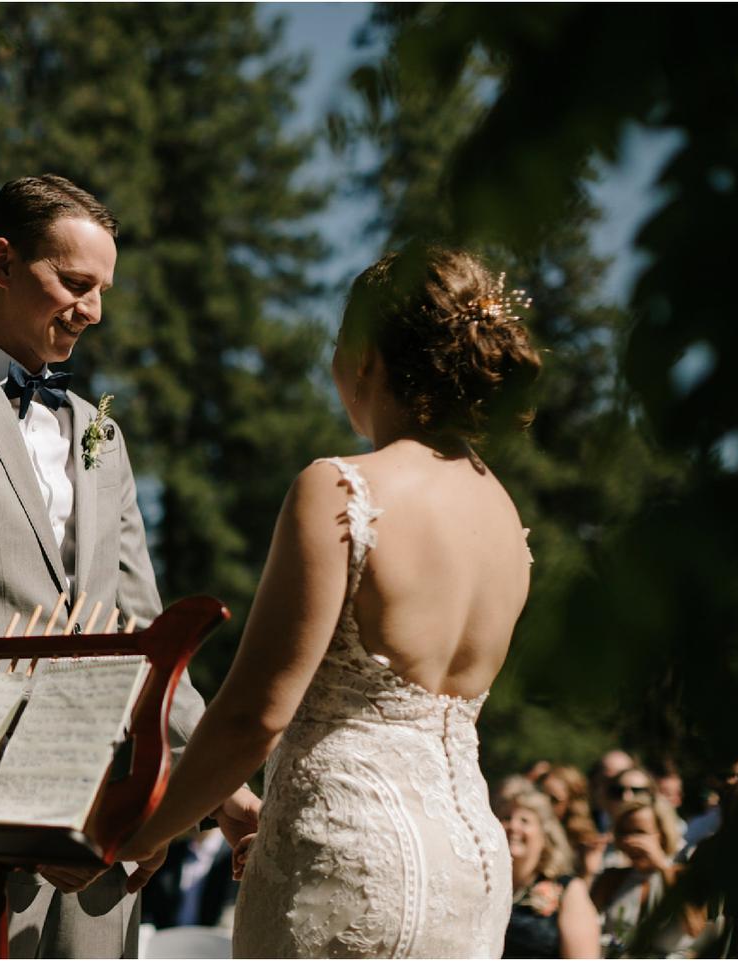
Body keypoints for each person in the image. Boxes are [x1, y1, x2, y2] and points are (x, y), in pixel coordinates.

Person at [119, 242, 544, 957]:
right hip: (470, 863)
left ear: (368, 358)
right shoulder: (503, 516)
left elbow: (255, 714)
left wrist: (143, 833)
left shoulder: (343, 488)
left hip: (353, 854)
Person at [0, 174, 259, 958]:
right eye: (75, 283)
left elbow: (142, 631)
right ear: (3, 263)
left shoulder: (101, 435)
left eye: (101, 291)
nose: (92, 310)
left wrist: (214, 786)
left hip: (100, 826)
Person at [496, 788, 601, 958]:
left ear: (544, 834)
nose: (513, 826)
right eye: (507, 818)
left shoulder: (569, 890)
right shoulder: (485, 887)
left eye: (524, 820)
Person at [590, 795, 701, 956]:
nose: (629, 840)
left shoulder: (684, 876)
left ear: (662, 833)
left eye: (639, 832)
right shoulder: (612, 877)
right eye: (624, 833)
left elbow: (694, 928)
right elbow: (585, 923)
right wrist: (588, 872)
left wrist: (662, 866)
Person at [543, 764, 607, 883]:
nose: (545, 804)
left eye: (554, 800)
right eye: (541, 796)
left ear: (571, 803)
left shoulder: (584, 842)